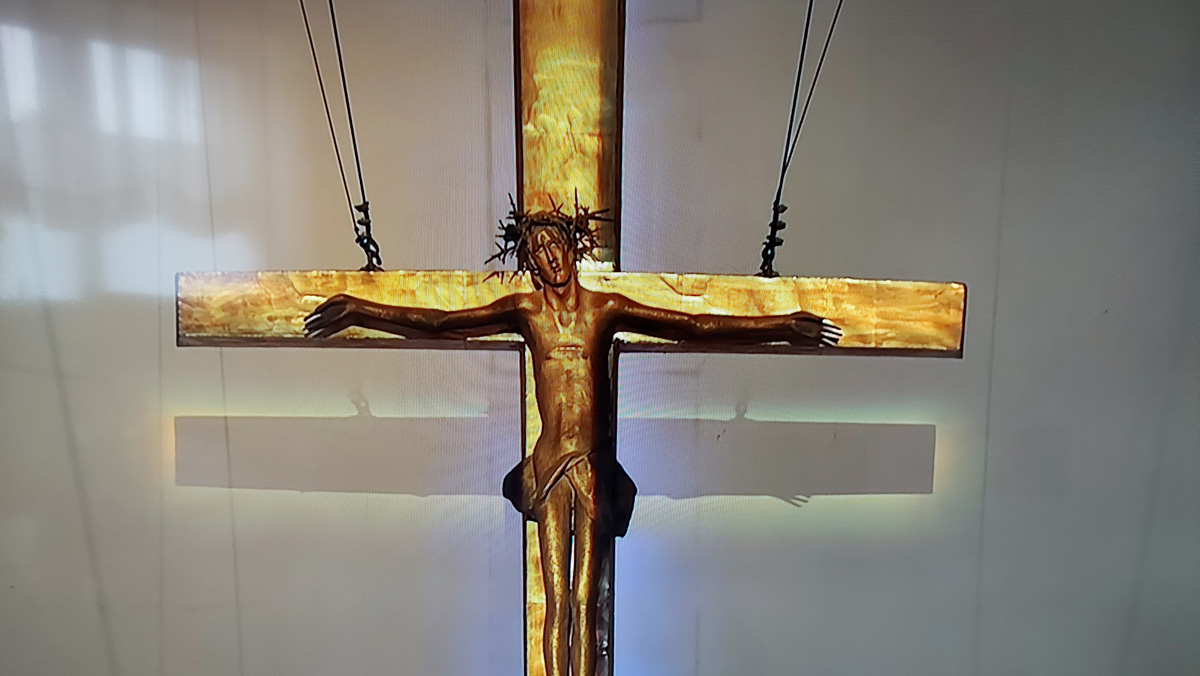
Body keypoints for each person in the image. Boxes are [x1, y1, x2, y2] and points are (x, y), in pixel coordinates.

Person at [304, 204, 841, 676]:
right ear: (531, 262)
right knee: (556, 601)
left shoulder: (603, 310)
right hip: (548, 466)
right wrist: (361, 309)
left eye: (555, 244)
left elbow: (693, 325)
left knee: (585, 600)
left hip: (590, 465)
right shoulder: (527, 313)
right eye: (538, 251)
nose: (549, 257)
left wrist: (780, 326)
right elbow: (444, 322)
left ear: (572, 246)